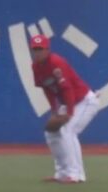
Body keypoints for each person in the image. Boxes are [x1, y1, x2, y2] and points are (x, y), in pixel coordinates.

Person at [30, 34, 100, 184]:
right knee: (51, 132)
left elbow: (67, 89)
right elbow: (47, 88)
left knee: (68, 130)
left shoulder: (56, 63)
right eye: (35, 49)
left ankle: (76, 174)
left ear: (47, 50)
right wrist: (54, 111)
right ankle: (61, 173)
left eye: (40, 49)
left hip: (85, 101)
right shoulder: (35, 66)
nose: (37, 52)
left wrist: (69, 113)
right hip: (67, 103)